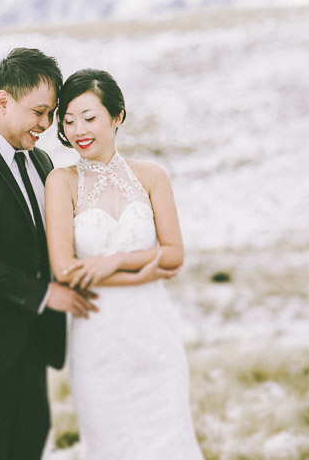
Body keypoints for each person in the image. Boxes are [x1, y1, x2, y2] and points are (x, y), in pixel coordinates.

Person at [0, 48, 98, 459]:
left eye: (51, 113)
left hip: (30, 350)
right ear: (3, 100)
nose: (46, 124)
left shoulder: (42, 162)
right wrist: (46, 295)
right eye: (39, 112)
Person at [43, 68, 203, 458]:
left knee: (170, 441)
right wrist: (144, 272)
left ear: (116, 116)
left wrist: (113, 262)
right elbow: (66, 271)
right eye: (68, 121)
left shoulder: (151, 176)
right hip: (99, 340)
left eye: (89, 117)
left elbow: (175, 252)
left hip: (154, 336)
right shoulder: (61, 183)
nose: (79, 130)